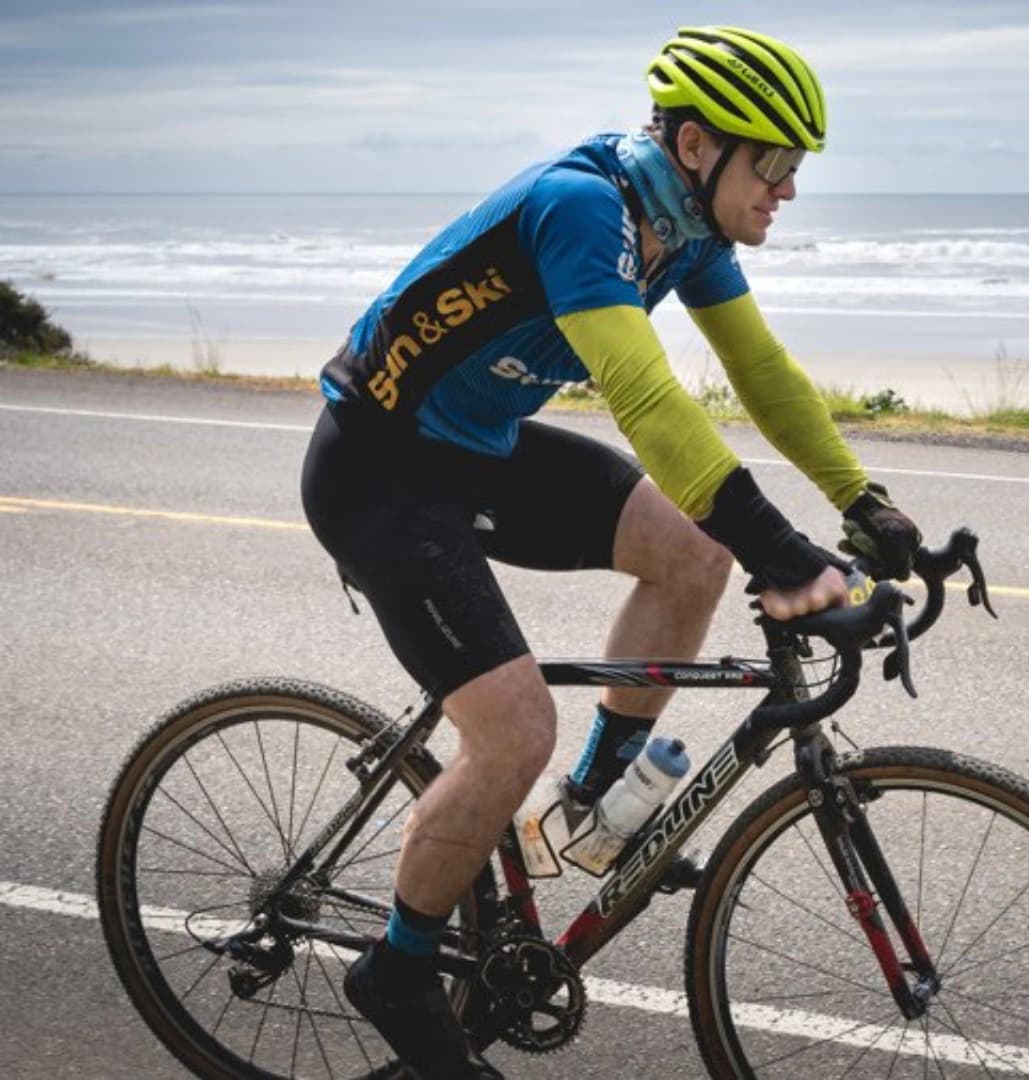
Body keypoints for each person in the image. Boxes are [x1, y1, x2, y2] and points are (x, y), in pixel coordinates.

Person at [299, 25, 920, 1077]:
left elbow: (760, 374)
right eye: (772, 162)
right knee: (511, 733)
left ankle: (589, 807)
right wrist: (785, 553)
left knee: (691, 553)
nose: (789, 188)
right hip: (380, 466)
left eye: (797, 166)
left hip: (475, 449)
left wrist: (865, 503)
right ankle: (397, 970)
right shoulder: (583, 209)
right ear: (694, 146)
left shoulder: (688, 233)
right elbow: (645, 400)